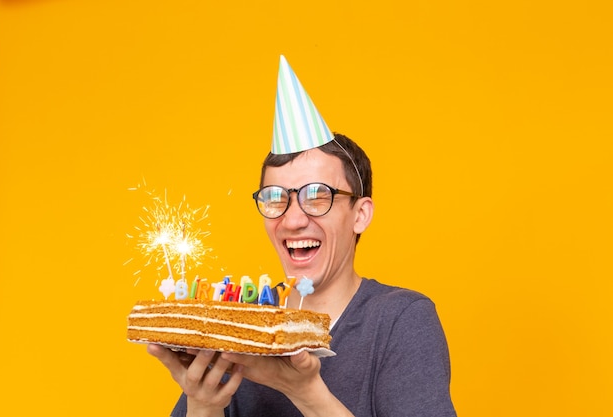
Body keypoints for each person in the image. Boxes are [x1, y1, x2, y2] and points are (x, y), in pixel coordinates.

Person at [147, 56, 457, 417]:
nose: (293, 220)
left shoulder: (399, 320)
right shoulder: (238, 330)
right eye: (276, 199)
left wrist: (307, 392)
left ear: (360, 214)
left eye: (317, 196)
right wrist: (203, 404)